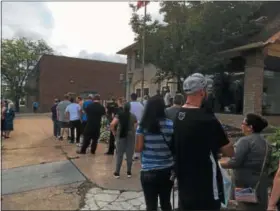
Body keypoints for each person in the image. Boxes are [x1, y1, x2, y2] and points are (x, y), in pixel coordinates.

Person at [174, 73, 234, 211]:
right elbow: (229, 150)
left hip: (184, 183)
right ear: (202, 92)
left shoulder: (179, 115)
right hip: (205, 184)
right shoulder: (208, 120)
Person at [221, 113, 270, 211]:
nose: (241, 126)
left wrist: (219, 165)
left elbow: (234, 162)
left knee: (242, 207)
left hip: (244, 187)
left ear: (250, 127)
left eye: (243, 123)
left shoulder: (245, 141)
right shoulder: (265, 142)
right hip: (260, 185)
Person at [135, 95, 174, 211]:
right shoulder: (170, 125)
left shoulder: (142, 126)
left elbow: (139, 148)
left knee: (151, 205)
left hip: (148, 171)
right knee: (166, 203)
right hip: (167, 170)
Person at [110, 102, 137, 178]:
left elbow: (112, 124)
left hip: (120, 135)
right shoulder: (133, 116)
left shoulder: (119, 115)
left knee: (119, 154)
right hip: (130, 136)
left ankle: (117, 172)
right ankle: (129, 172)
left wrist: (114, 133)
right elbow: (135, 127)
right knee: (129, 154)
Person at [130, 93, 144, 160]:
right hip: (139, 124)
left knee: (131, 139)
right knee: (137, 139)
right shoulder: (141, 105)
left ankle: (130, 154)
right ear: (136, 97)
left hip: (131, 124)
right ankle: (137, 154)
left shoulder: (129, 105)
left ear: (131, 97)